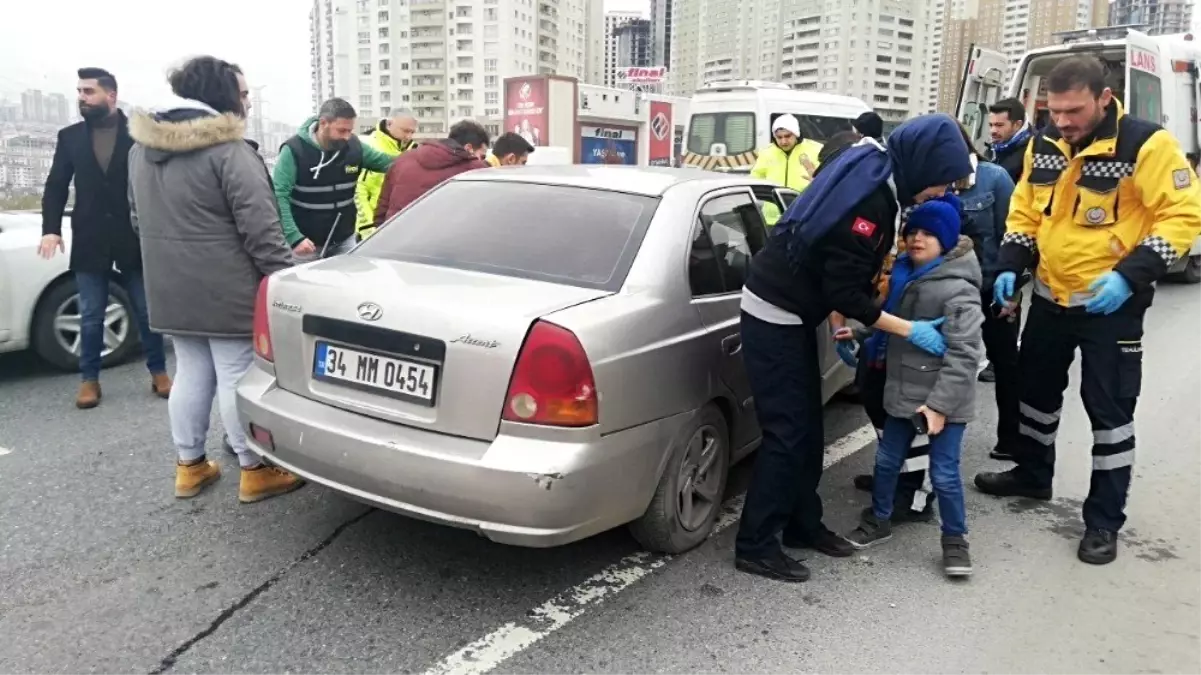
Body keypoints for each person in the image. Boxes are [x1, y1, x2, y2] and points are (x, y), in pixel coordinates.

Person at [976, 56, 1201, 565]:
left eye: (1074, 110)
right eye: (1055, 111)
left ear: (1104, 98)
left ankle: (1103, 519)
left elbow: (1184, 214)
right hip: (1051, 301)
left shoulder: (1146, 144)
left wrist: (1130, 274)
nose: (1064, 121)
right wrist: (1013, 259)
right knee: (1036, 396)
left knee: (1110, 411)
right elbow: (1026, 211)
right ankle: (1033, 475)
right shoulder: (1043, 142)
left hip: (1111, 309)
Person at [733, 114, 974, 583]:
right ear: (924, 168)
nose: (941, 194)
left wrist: (846, 327)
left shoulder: (874, 165)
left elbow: (833, 266)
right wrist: (907, 329)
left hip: (794, 310)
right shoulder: (873, 197)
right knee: (788, 435)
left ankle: (802, 525)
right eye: (941, 183)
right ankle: (755, 543)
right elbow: (845, 290)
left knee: (809, 431)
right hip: (774, 311)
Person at [127, 55, 304, 503]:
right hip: (225, 287)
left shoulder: (140, 150)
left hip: (168, 286)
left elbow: (136, 217)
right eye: (243, 93)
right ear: (223, 96)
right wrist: (284, 283)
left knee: (189, 371)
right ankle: (254, 469)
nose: (246, 102)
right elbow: (261, 230)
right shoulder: (230, 152)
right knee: (235, 374)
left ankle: (190, 466)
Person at [839, 195, 984, 577]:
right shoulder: (905, 273)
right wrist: (857, 331)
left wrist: (938, 407)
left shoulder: (959, 289)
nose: (917, 239)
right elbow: (890, 322)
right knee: (888, 460)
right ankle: (880, 518)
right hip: (901, 390)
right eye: (912, 231)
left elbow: (965, 355)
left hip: (943, 403)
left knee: (945, 473)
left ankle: (955, 541)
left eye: (928, 233)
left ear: (947, 239)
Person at [38, 67, 170, 409]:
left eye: (88, 91)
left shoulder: (138, 133)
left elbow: (159, 181)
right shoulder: (70, 137)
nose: (81, 97)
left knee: (146, 309)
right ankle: (89, 380)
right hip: (90, 236)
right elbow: (55, 186)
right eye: (79, 91)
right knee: (91, 314)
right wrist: (51, 228)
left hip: (134, 235)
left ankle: (159, 371)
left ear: (110, 95)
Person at [273, 98, 395, 260]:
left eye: (350, 131)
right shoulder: (294, 150)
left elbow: (387, 162)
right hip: (306, 244)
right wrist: (294, 237)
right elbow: (279, 195)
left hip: (345, 239)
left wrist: (419, 158)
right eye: (342, 131)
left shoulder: (354, 147)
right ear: (323, 123)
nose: (347, 137)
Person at [373, 120, 491, 225]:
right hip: (440, 243)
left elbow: (381, 211)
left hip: (395, 239)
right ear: (469, 148)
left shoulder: (403, 159)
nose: (482, 160)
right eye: (482, 155)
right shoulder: (475, 170)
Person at [750, 114, 823, 227]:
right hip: (772, 220)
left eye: (787, 136)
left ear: (796, 134)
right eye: (779, 137)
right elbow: (754, 180)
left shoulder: (815, 150)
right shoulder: (767, 153)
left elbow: (828, 181)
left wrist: (817, 179)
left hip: (803, 217)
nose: (783, 141)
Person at [354, 111, 418, 240]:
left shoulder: (415, 150)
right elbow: (358, 190)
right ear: (389, 124)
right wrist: (366, 226)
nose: (409, 136)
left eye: (412, 132)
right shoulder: (368, 147)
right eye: (405, 131)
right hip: (372, 227)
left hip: (403, 226)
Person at [987, 98, 1031, 186]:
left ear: (1017, 125)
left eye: (999, 125)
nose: (993, 131)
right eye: (991, 125)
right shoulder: (993, 149)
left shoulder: (1033, 151)